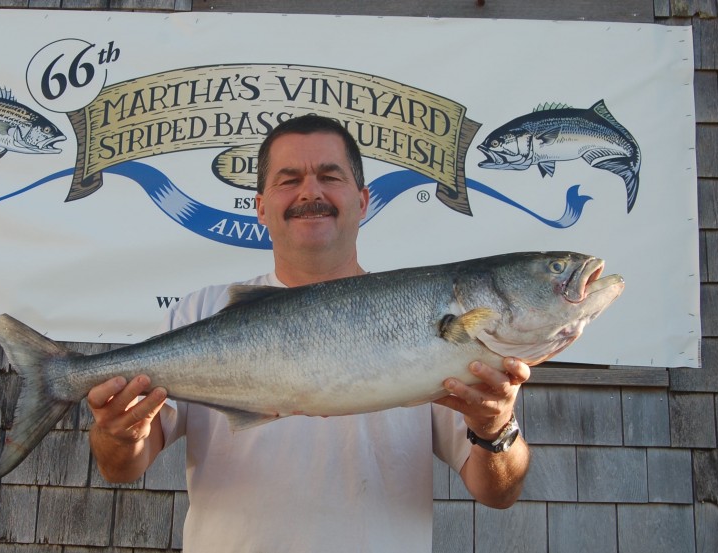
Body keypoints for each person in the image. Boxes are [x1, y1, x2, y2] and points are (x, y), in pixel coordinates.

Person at [87, 114, 531, 552]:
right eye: (289, 179)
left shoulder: (429, 317)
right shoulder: (199, 311)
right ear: (261, 206)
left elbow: (497, 492)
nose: (310, 191)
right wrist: (117, 436)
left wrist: (496, 431)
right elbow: (124, 467)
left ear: (363, 200)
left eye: (329, 175)